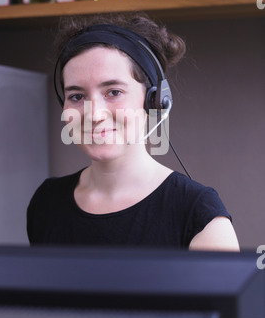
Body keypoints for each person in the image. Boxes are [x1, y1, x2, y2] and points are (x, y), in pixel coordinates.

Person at [27, 13, 240, 252]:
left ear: (154, 100)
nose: (94, 114)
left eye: (113, 92)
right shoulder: (46, 202)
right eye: (76, 96)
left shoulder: (200, 216)